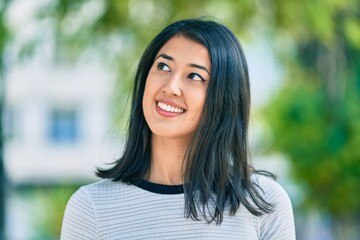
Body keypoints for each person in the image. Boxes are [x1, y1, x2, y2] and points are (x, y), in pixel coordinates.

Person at [61, 18, 296, 239]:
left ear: (224, 98)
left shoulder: (263, 204)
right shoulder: (91, 207)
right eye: (163, 66)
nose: (171, 87)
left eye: (194, 76)